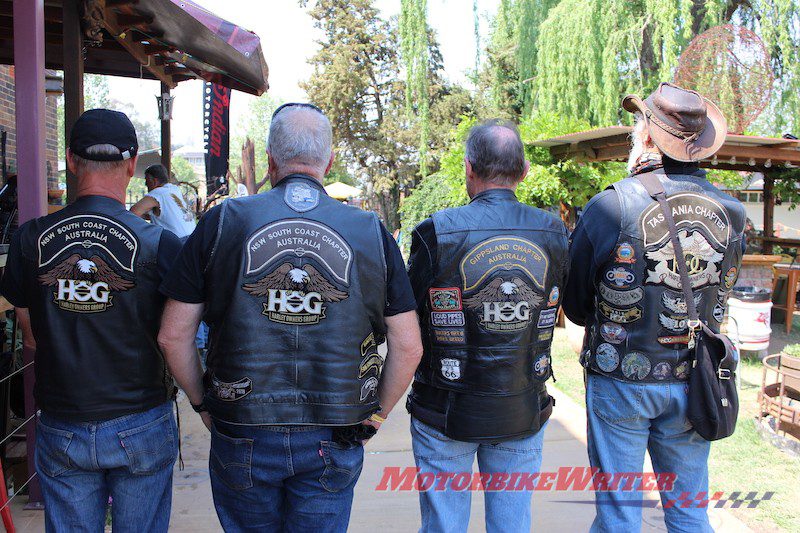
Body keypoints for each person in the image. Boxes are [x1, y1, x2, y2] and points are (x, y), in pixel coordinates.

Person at [158, 103, 423, 532]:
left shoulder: (223, 221)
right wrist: (376, 416)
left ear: (270, 161)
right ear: (329, 162)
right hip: (336, 427)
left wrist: (204, 404)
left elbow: (173, 336)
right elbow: (408, 346)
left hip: (243, 423)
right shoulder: (371, 230)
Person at [562, 83, 746, 532]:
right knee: (689, 512)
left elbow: (576, 304)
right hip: (695, 377)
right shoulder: (733, 211)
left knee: (620, 513)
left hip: (620, 377)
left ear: (646, 137)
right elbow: (721, 289)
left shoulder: (612, 204)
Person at [0, 109, 182, 532]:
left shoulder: (30, 238)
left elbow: (31, 335)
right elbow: (174, 335)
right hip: (141, 419)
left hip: (63, 419)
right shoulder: (159, 243)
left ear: (70, 160)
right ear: (132, 164)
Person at [406, 119, 569, 533]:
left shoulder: (436, 230)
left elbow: (406, 314)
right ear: (524, 171)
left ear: (468, 168)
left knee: (444, 526)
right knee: (512, 524)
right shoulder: (554, 232)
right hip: (521, 404)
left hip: (445, 408)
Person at [130, 163, 196, 240]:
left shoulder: (157, 193)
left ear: (154, 181)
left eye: (146, 181)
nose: (145, 184)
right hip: (193, 237)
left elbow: (132, 213)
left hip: (178, 241)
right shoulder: (175, 189)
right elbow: (169, 215)